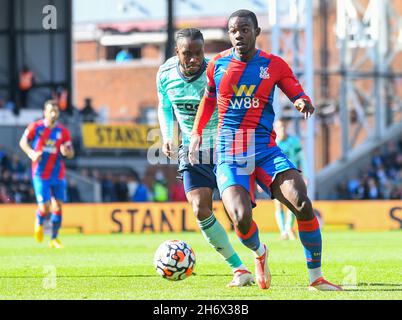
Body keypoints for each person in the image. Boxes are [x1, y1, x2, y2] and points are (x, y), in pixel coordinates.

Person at [189, 10, 342, 291]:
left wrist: (302, 101)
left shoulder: (274, 65)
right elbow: (208, 101)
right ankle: (259, 252)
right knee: (240, 216)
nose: (238, 35)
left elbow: (295, 90)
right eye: (233, 30)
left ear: (257, 32)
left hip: (264, 148)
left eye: (244, 29)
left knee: (302, 202)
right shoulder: (217, 65)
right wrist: (197, 133)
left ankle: (316, 278)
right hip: (230, 151)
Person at [157, 27, 254, 287]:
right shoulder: (165, 74)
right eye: (187, 53)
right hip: (192, 149)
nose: (194, 59)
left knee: (239, 215)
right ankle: (238, 269)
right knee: (200, 209)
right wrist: (168, 135)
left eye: (198, 52)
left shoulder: (216, 71)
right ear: (176, 52)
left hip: (224, 146)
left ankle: (259, 252)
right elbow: (165, 105)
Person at [19, 100, 74, 248]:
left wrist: (67, 152)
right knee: (45, 207)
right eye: (51, 111)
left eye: (56, 111)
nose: (53, 113)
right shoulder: (35, 127)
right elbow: (23, 142)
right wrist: (31, 153)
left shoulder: (63, 131)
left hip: (58, 173)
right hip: (40, 173)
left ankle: (54, 238)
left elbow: (70, 151)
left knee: (58, 206)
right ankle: (39, 220)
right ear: (45, 112)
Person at [272, 119, 307, 240]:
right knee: (278, 204)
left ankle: (288, 227)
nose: (281, 130)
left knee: (292, 203)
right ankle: (283, 231)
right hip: (275, 176)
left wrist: (305, 175)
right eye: (278, 127)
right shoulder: (272, 143)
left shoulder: (294, 141)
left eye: (282, 127)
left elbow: (301, 158)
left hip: (292, 175)